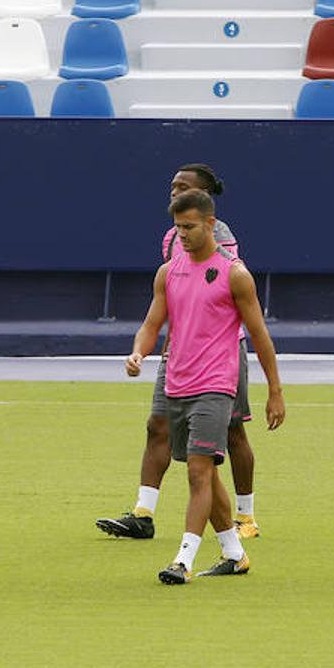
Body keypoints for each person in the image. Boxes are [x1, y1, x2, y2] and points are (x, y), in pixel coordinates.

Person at [125, 189, 286, 585]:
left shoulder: (235, 274)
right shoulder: (169, 272)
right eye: (178, 227)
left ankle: (183, 560)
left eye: (190, 227)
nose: (182, 235)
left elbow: (260, 336)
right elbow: (152, 323)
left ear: (211, 224)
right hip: (176, 383)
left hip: (216, 385)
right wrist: (138, 354)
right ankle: (234, 553)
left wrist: (275, 391)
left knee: (199, 472)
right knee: (208, 476)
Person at [97, 163, 262, 541]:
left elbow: (222, 293)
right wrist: (148, 349)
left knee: (232, 434)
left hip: (220, 353)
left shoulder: (221, 239)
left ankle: (246, 516)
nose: (173, 192)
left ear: (204, 198)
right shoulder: (172, 237)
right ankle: (143, 513)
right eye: (172, 186)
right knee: (157, 425)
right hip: (179, 356)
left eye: (182, 187)